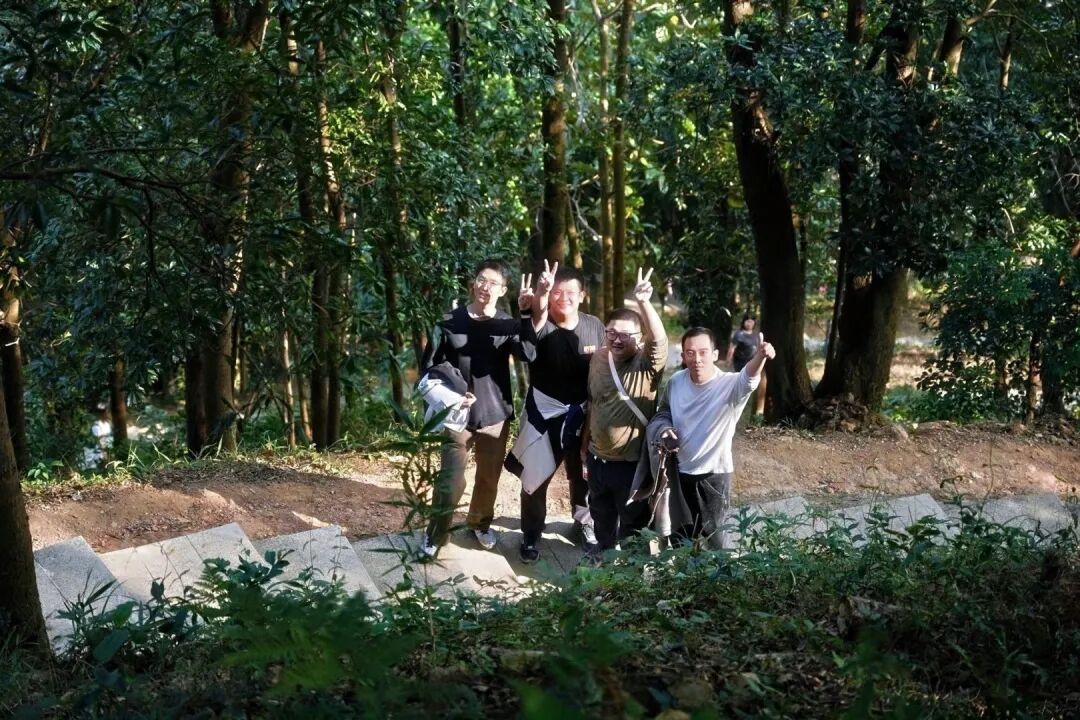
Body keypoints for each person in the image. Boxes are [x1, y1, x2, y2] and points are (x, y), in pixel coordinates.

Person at [420, 258, 537, 557]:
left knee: (488, 478)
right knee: (450, 481)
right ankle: (436, 534)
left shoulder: (507, 324)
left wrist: (526, 314)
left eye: (493, 283)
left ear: (503, 290)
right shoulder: (448, 321)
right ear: (473, 283)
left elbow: (528, 353)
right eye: (482, 280)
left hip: (495, 416)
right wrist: (449, 396)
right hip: (456, 415)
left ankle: (480, 523)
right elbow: (428, 367)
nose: (486, 287)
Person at [505, 261, 605, 564]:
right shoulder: (540, 322)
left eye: (570, 292)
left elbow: (605, 368)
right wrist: (540, 293)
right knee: (535, 478)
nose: (564, 298)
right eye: (556, 293)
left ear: (582, 295)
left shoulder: (594, 326)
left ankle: (584, 522)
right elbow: (529, 338)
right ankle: (531, 533)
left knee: (584, 474)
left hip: (583, 414)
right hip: (544, 414)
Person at [653, 327, 775, 548]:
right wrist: (664, 428)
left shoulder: (729, 385)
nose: (697, 359)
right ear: (683, 356)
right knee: (681, 539)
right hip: (679, 473)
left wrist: (760, 356)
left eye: (703, 352)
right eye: (690, 353)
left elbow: (748, 378)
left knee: (715, 541)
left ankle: (722, 571)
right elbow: (664, 412)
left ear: (715, 354)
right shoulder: (676, 381)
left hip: (714, 476)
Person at [583, 267, 668, 554]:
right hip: (597, 459)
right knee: (600, 514)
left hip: (631, 464)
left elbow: (660, 341)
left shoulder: (646, 365)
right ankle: (604, 556)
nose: (617, 339)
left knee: (633, 523)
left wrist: (643, 302)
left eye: (625, 335)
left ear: (640, 338)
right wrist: (585, 448)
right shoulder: (598, 359)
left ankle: (631, 571)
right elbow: (594, 404)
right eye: (611, 332)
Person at [726, 313, 766, 416]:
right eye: (747, 321)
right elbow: (732, 348)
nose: (749, 323)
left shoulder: (756, 335)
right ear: (744, 322)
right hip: (740, 363)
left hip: (753, 363)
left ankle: (757, 408)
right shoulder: (739, 334)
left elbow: (759, 348)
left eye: (751, 321)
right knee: (742, 385)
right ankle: (738, 404)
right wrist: (728, 360)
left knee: (758, 382)